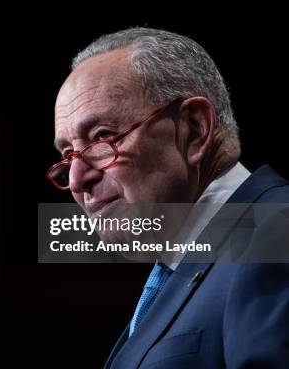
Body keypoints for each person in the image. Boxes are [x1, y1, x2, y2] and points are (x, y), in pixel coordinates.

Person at [47, 28, 289, 368]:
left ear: (193, 129)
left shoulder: (275, 232)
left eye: (102, 138)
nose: (77, 179)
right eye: (68, 153)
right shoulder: (190, 262)